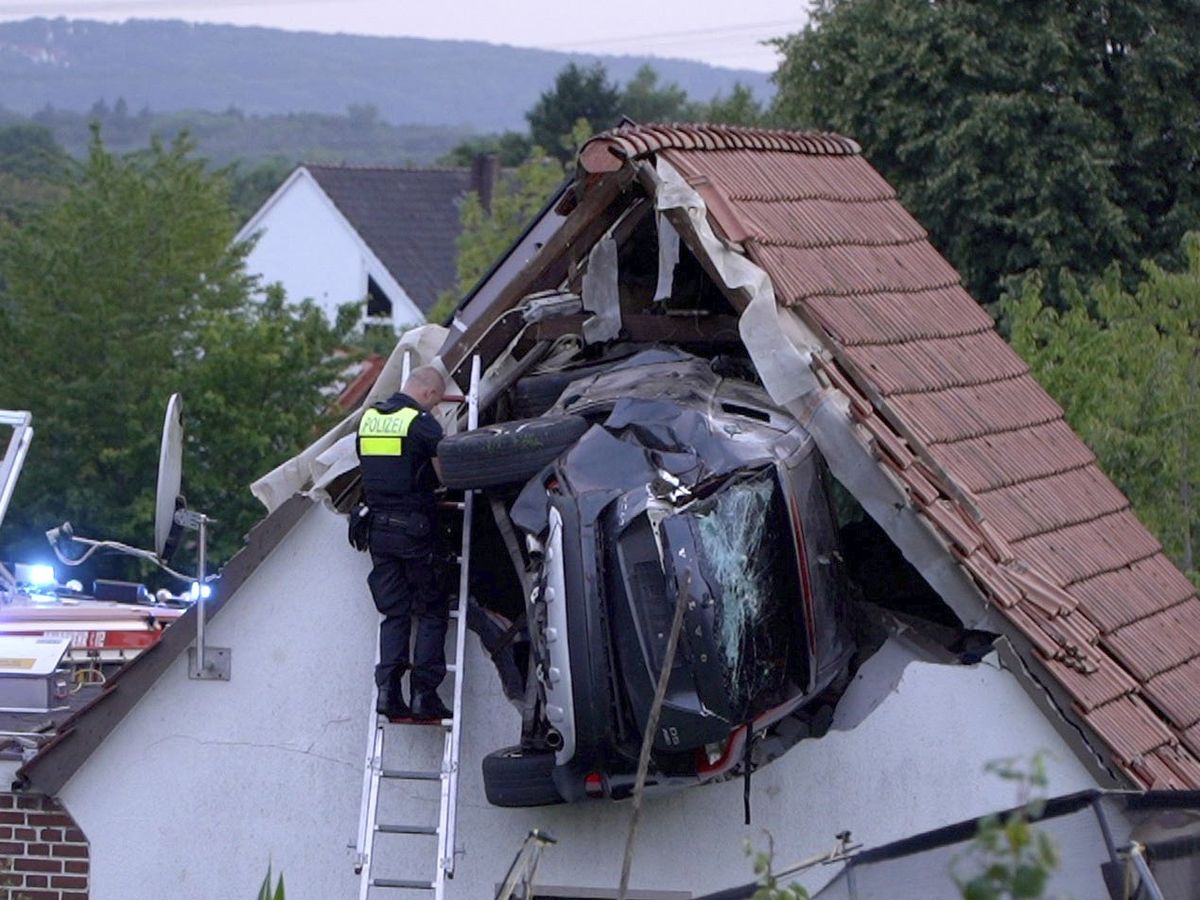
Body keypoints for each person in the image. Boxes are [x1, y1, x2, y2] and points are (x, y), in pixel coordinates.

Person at [356, 365, 452, 722]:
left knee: (394, 612)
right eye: (436, 402)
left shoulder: (369, 419)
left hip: (377, 531)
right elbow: (445, 473)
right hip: (414, 529)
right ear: (428, 394)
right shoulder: (421, 422)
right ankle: (424, 695)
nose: (435, 409)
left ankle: (387, 692)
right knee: (431, 609)